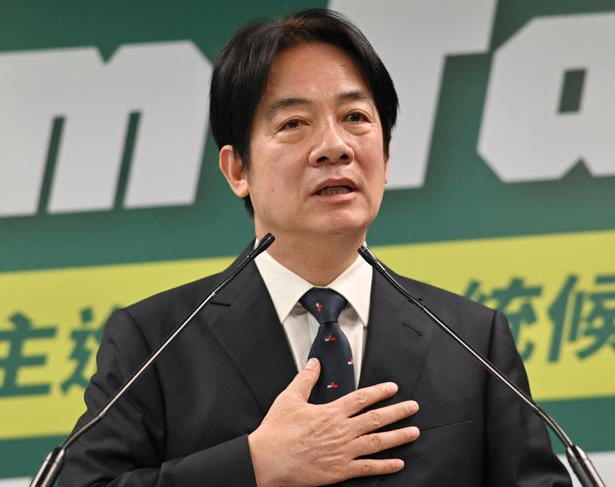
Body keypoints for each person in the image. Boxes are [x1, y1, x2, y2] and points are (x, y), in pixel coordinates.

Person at [59, 9, 571, 486]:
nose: (335, 146)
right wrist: (255, 464)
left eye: (355, 117)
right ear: (238, 170)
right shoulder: (155, 342)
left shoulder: (472, 341)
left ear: (386, 157)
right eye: (294, 124)